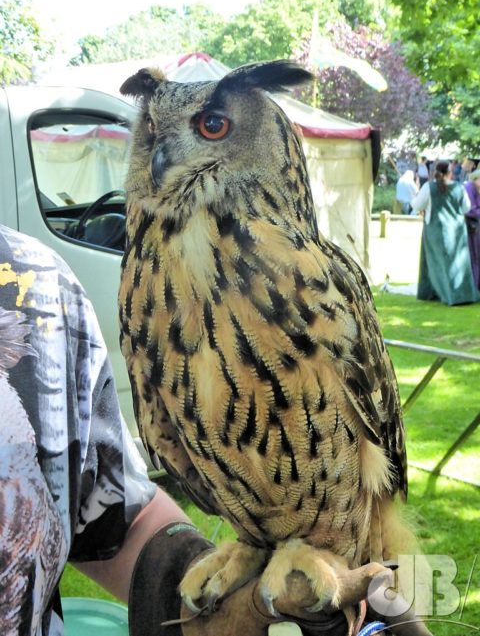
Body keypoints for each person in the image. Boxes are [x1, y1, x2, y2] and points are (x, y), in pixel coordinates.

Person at [0, 224, 432, 636]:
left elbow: (107, 513)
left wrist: (185, 602)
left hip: (342, 534)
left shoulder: (35, 288)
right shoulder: (139, 295)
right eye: (150, 141)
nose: (165, 158)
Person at [411, 161, 479, 305]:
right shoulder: (459, 187)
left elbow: (417, 205)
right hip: (457, 230)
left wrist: (415, 197)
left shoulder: (429, 187)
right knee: (457, 263)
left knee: (436, 263)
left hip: (436, 230)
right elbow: (466, 208)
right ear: (450, 173)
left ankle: (443, 294)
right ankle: (461, 294)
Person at [464, 169, 480, 289]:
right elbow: (470, 210)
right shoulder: (469, 188)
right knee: (474, 256)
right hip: (472, 226)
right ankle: (475, 284)